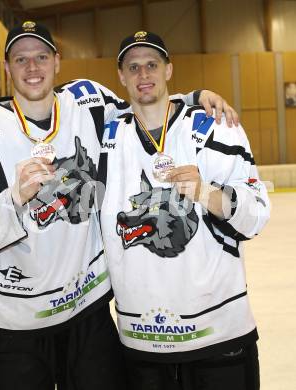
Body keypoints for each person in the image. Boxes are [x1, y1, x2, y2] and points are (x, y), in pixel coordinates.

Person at [0, 21, 239, 390]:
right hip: (13, 328)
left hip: (90, 317)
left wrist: (196, 97)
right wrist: (14, 198)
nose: (32, 68)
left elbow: (144, 105)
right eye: (21, 59)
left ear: (57, 61)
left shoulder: (88, 100)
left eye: (41, 57)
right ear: (6, 67)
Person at [100, 31, 270, 390]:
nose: (143, 75)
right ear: (121, 77)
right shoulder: (105, 138)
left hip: (219, 339)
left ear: (169, 70)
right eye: (133, 67)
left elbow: (256, 214)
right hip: (142, 343)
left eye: (152, 65)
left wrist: (208, 194)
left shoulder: (218, 127)